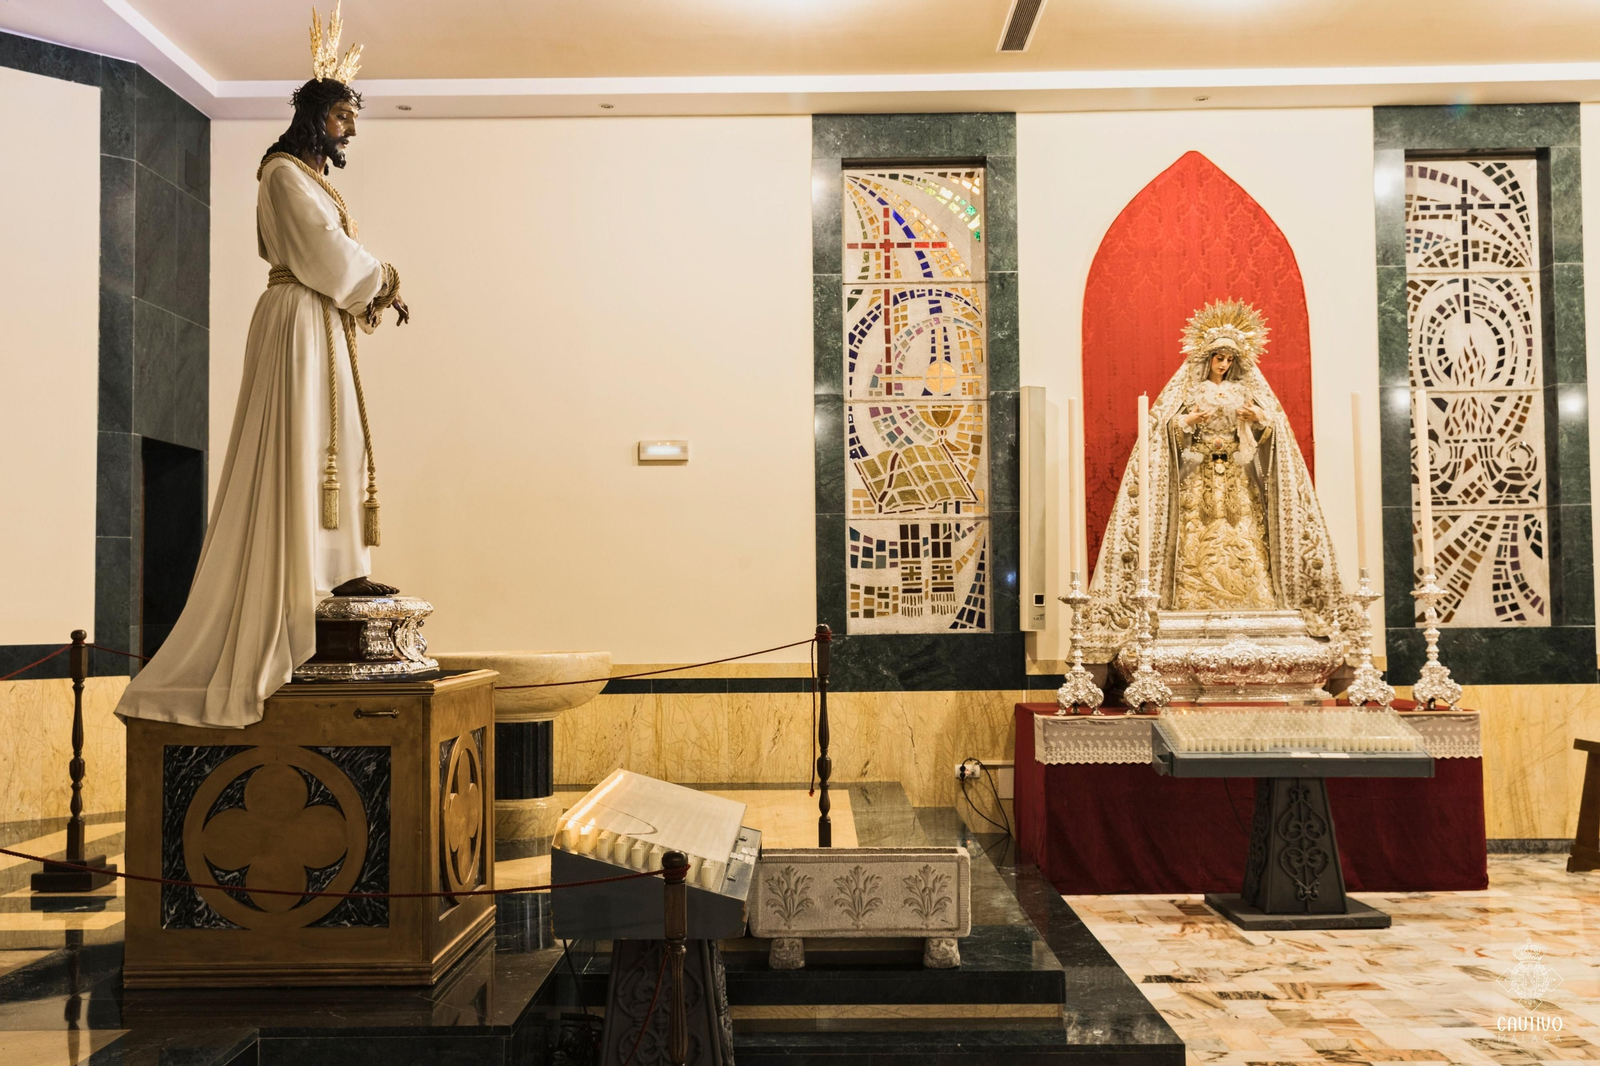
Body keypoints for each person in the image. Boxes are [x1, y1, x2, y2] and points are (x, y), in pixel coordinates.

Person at [117, 5, 408, 728]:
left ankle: (337, 572)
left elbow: (337, 264)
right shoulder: (282, 174)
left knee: (330, 449)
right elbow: (326, 257)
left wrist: (372, 291)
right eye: (342, 115)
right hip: (298, 322)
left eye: (352, 118)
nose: (350, 129)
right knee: (302, 443)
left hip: (322, 321)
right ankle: (297, 585)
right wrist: (387, 279)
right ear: (315, 114)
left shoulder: (311, 178)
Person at [1081, 300, 1349, 654]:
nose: (1223, 365)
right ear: (1206, 359)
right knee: (1195, 537)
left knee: (1243, 539)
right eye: (1218, 358)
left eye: (1229, 359)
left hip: (1237, 478)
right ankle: (1187, 609)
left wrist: (1258, 417)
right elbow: (1166, 427)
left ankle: (1251, 611)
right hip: (1198, 476)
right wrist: (1187, 423)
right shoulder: (1190, 390)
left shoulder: (1245, 391)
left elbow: (1272, 430)